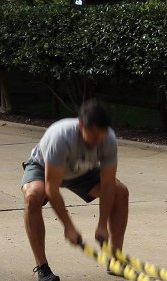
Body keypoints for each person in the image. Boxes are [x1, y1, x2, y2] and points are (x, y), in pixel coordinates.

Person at [21, 99, 129, 281]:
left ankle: (116, 260)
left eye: (101, 136)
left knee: (120, 192)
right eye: (93, 135)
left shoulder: (108, 138)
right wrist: (68, 227)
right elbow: (52, 188)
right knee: (33, 196)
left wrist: (102, 224)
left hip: (80, 169)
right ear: (81, 125)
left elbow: (108, 184)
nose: (97, 141)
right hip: (44, 167)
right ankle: (43, 268)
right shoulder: (61, 136)